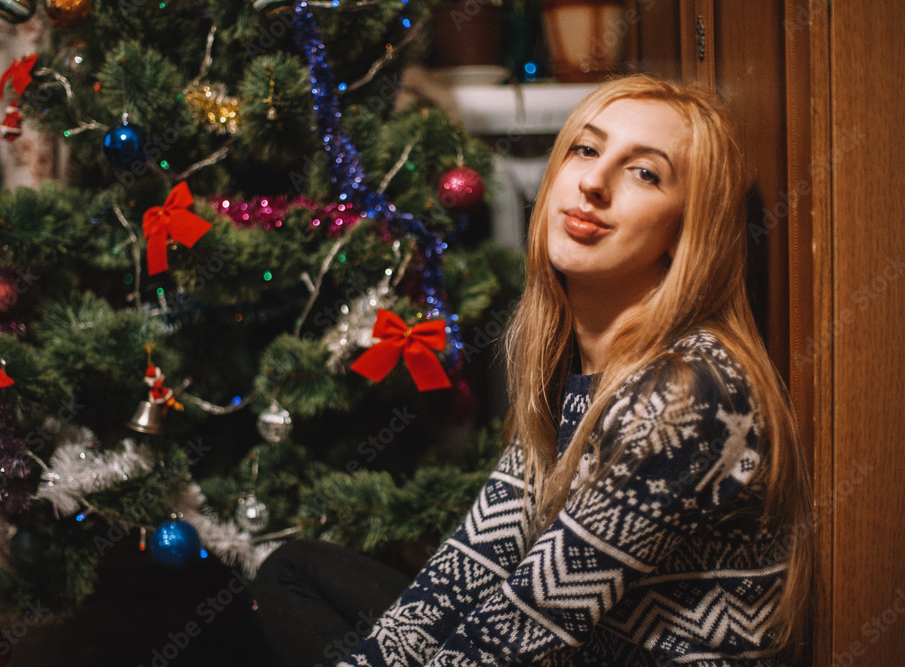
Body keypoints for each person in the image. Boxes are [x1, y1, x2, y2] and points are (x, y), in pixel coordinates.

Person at [254, 74, 812, 666]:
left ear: (683, 232)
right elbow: (471, 566)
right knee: (295, 573)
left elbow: (516, 634)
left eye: (644, 172)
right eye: (587, 149)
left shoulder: (688, 394)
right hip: (573, 648)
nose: (594, 182)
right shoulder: (575, 362)